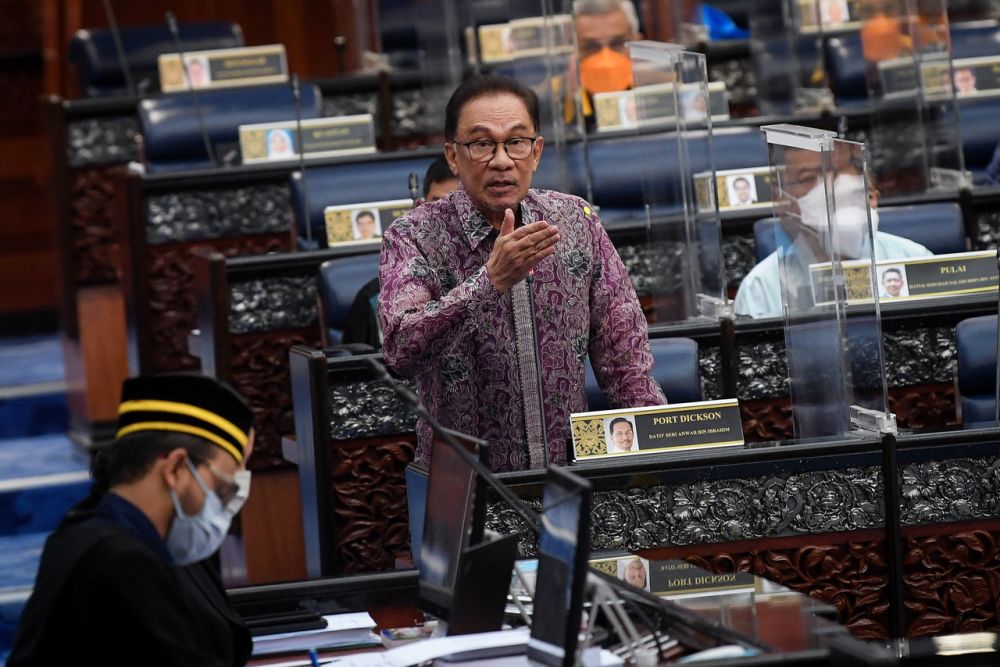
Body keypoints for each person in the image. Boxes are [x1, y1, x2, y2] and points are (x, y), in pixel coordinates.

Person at [378, 73, 665, 473]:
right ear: (452, 156)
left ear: (536, 151)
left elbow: (625, 362)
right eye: (481, 144)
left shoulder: (576, 222)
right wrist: (488, 283)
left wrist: (660, 462)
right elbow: (400, 349)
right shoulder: (413, 236)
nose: (501, 160)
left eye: (515, 142)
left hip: (571, 477)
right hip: (468, 485)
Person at [9, 374, 255, 667]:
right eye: (223, 488)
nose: (225, 504)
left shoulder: (127, 535)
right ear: (176, 467)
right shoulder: (119, 562)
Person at [734, 144, 931, 319]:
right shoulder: (761, 289)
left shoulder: (915, 259)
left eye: (843, 176)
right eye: (809, 178)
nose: (832, 191)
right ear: (781, 200)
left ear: (871, 197)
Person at [341, 156, 459, 348]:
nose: (444, 216)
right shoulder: (374, 298)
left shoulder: (494, 281)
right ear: (420, 207)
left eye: (456, 206)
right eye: (436, 204)